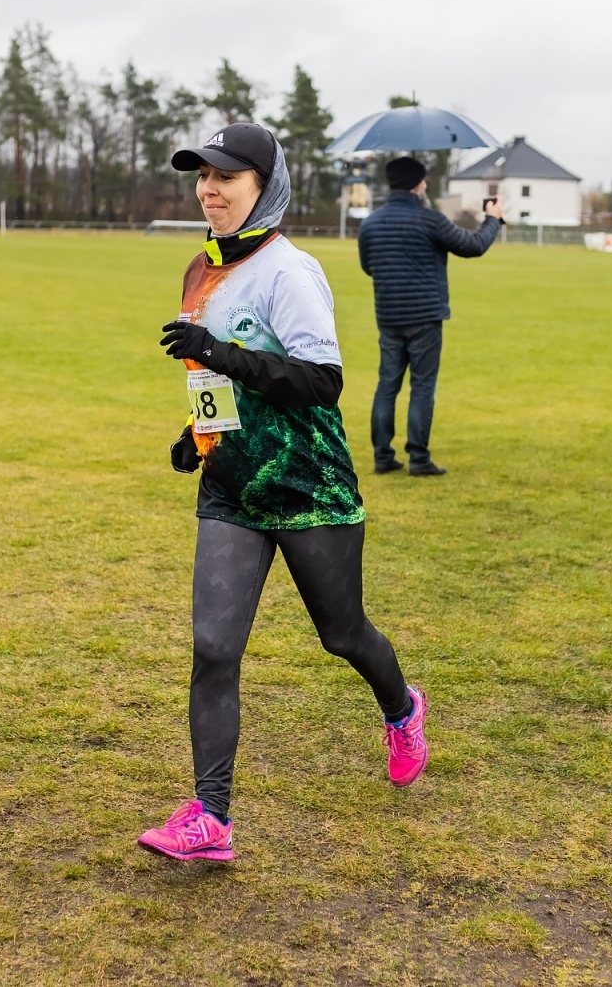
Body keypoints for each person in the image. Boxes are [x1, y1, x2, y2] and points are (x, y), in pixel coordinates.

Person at [137, 123, 428, 863]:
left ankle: (401, 707)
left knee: (343, 634)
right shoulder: (200, 270)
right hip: (233, 484)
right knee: (212, 647)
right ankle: (211, 818)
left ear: (264, 186)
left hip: (307, 484)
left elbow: (321, 383)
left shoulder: (289, 272)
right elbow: (210, 379)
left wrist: (222, 353)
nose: (209, 190)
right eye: (201, 177)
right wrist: (196, 433)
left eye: (225, 178)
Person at [357, 156, 504, 476]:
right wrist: (493, 218)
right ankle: (419, 458)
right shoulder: (430, 220)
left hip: (389, 313)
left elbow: (369, 267)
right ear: (417, 184)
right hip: (425, 315)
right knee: (422, 386)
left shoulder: (370, 223)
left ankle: (383, 456)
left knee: (387, 384)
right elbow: (474, 245)